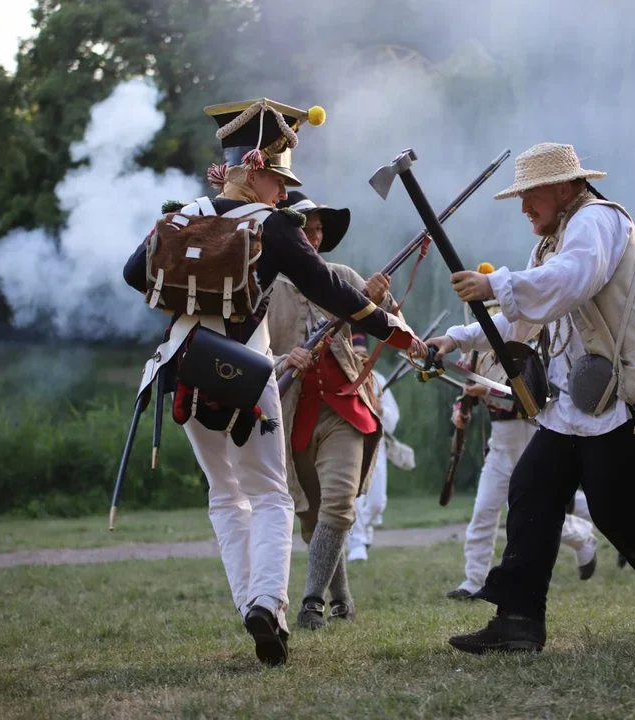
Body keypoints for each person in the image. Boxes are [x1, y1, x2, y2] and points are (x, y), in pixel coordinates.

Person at [122, 99, 422, 664]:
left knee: (224, 496)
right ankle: (268, 604)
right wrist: (396, 330)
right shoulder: (274, 228)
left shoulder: (183, 215)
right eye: (278, 179)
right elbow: (335, 292)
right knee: (269, 495)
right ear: (255, 168)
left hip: (184, 367)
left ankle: (251, 608)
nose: (284, 193)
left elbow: (134, 274)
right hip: (248, 372)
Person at [427, 142, 635, 653]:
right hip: (574, 404)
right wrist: (458, 336)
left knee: (616, 513)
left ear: (563, 187)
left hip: (623, 395)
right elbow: (527, 313)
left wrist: (495, 283)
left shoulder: (596, 221)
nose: (523, 208)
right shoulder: (552, 240)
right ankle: (518, 620)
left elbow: (569, 281)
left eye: (529, 195)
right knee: (533, 490)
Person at [268, 191, 404, 630]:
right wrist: (281, 360)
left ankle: (310, 603)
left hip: (345, 406)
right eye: (306, 228)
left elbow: (391, 324)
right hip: (293, 413)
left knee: (340, 502)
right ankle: (342, 597)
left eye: (320, 228)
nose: (315, 235)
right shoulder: (266, 290)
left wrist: (379, 300)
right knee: (314, 517)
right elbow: (245, 356)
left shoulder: (342, 277)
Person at [446, 338, 599, 602]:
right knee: (483, 511)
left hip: (529, 445)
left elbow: (531, 397)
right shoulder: (478, 357)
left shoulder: (528, 353)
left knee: (532, 518)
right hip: (500, 448)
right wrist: (460, 410)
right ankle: (473, 582)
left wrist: (487, 392)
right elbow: (464, 391)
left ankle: (583, 536)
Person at [347, 358, 400, 563]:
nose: (360, 359)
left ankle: (362, 529)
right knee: (355, 498)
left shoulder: (378, 380)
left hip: (376, 444)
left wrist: (379, 408)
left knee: (378, 502)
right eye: (355, 354)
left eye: (363, 355)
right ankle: (357, 543)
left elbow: (392, 420)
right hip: (350, 444)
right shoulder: (343, 378)